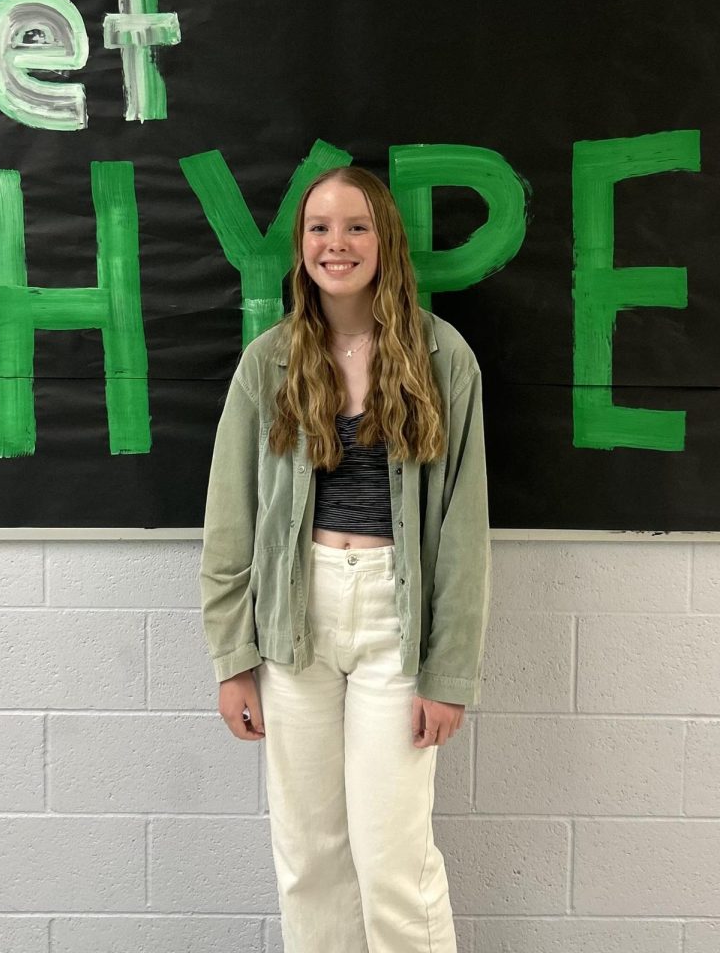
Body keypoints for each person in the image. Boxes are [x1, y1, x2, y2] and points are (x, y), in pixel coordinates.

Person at [200, 164, 491, 953]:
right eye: (319, 227)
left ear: (385, 240)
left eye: (355, 226)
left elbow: (465, 531)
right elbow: (229, 517)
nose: (337, 243)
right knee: (310, 858)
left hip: (397, 621)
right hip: (296, 617)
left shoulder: (441, 357)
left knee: (394, 857)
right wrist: (232, 658)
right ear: (300, 246)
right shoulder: (269, 362)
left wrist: (449, 671)